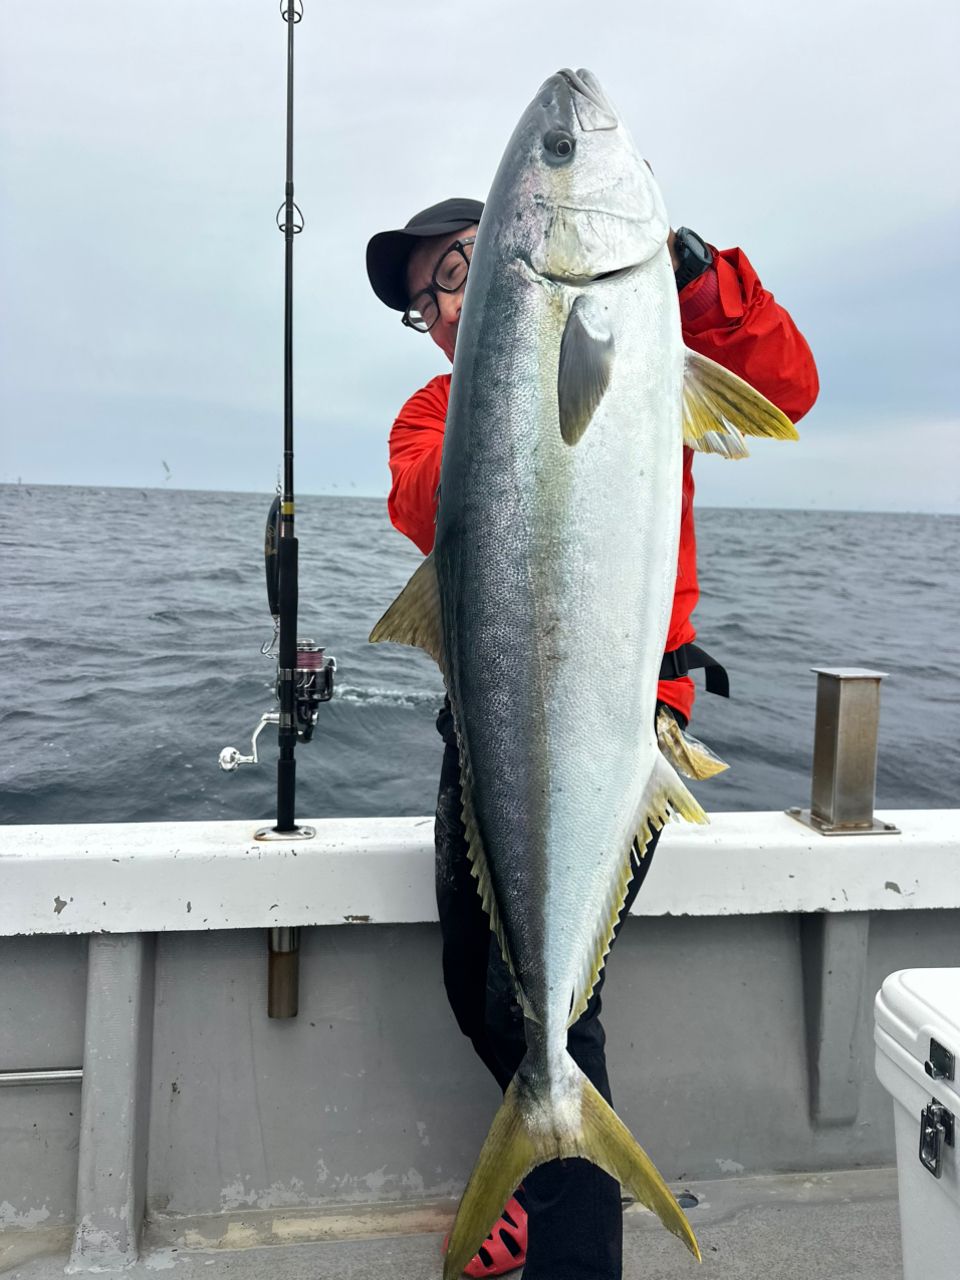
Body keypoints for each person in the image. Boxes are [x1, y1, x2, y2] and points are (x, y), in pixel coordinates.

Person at [366, 197, 818, 1279]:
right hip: (492, 724)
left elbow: (784, 385)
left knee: (564, 1003)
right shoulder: (430, 411)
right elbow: (425, 502)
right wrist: (505, 385)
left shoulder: (645, 356)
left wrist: (693, 271)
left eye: (461, 267)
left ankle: (571, 1234)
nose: (442, 302)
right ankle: (540, 1154)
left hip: (624, 724)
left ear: (531, 258)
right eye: (425, 295)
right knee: (476, 977)